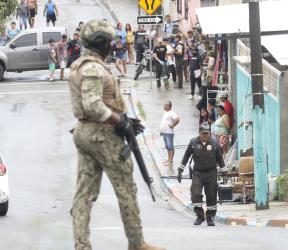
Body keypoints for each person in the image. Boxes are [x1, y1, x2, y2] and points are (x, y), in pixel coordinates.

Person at [68, 19, 163, 250]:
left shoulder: (80, 65)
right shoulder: (93, 68)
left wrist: (124, 118)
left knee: (84, 194)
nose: (112, 46)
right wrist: (118, 119)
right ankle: (137, 243)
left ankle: (82, 246)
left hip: (86, 133)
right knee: (126, 190)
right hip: (102, 136)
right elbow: (92, 105)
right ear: (100, 43)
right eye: (109, 42)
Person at [177, 123, 227, 226]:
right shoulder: (193, 143)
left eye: (207, 134)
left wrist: (224, 171)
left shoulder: (214, 143)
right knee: (195, 193)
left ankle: (210, 218)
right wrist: (180, 170)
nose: (205, 136)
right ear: (199, 133)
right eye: (203, 133)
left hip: (211, 173)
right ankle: (199, 216)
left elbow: (220, 159)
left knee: (211, 196)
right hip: (198, 173)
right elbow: (186, 156)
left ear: (209, 133)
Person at [160, 100, 180, 165]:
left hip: (169, 133)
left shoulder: (172, 113)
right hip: (164, 132)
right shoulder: (165, 113)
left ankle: (170, 160)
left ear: (169, 106)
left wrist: (172, 125)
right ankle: (168, 159)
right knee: (167, 146)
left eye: (165, 105)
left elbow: (177, 119)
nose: (164, 106)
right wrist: (161, 131)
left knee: (170, 146)